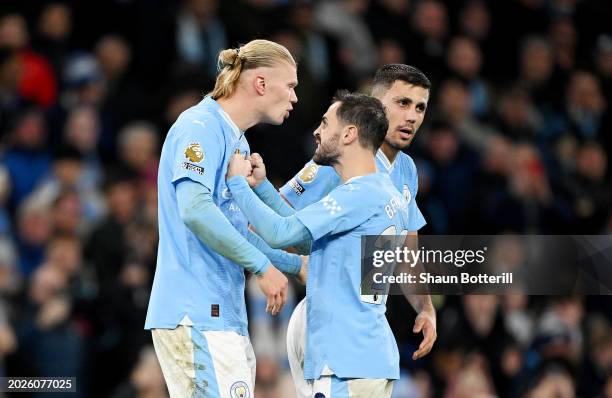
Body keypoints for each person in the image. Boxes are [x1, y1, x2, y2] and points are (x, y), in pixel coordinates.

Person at [226, 91, 434, 397]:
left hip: (345, 360)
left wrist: (237, 184)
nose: (317, 131)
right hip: (366, 356)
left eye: (325, 123)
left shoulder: (357, 196)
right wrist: (264, 188)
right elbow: (305, 238)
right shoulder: (381, 193)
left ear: (349, 134)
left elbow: (282, 234)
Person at [145, 39, 302, 397]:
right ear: (261, 83)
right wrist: (263, 267)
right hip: (194, 310)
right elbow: (195, 209)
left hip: (222, 313)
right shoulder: (200, 126)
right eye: (291, 86)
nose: (295, 98)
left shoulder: (239, 143)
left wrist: (291, 266)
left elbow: (234, 232)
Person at [280, 64, 437, 396]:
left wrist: (425, 308)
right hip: (324, 323)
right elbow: (273, 220)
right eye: (403, 103)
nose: (412, 116)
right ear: (376, 106)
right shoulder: (339, 159)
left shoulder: (407, 170)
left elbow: (406, 252)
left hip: (363, 331)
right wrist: (289, 266)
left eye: (420, 107)